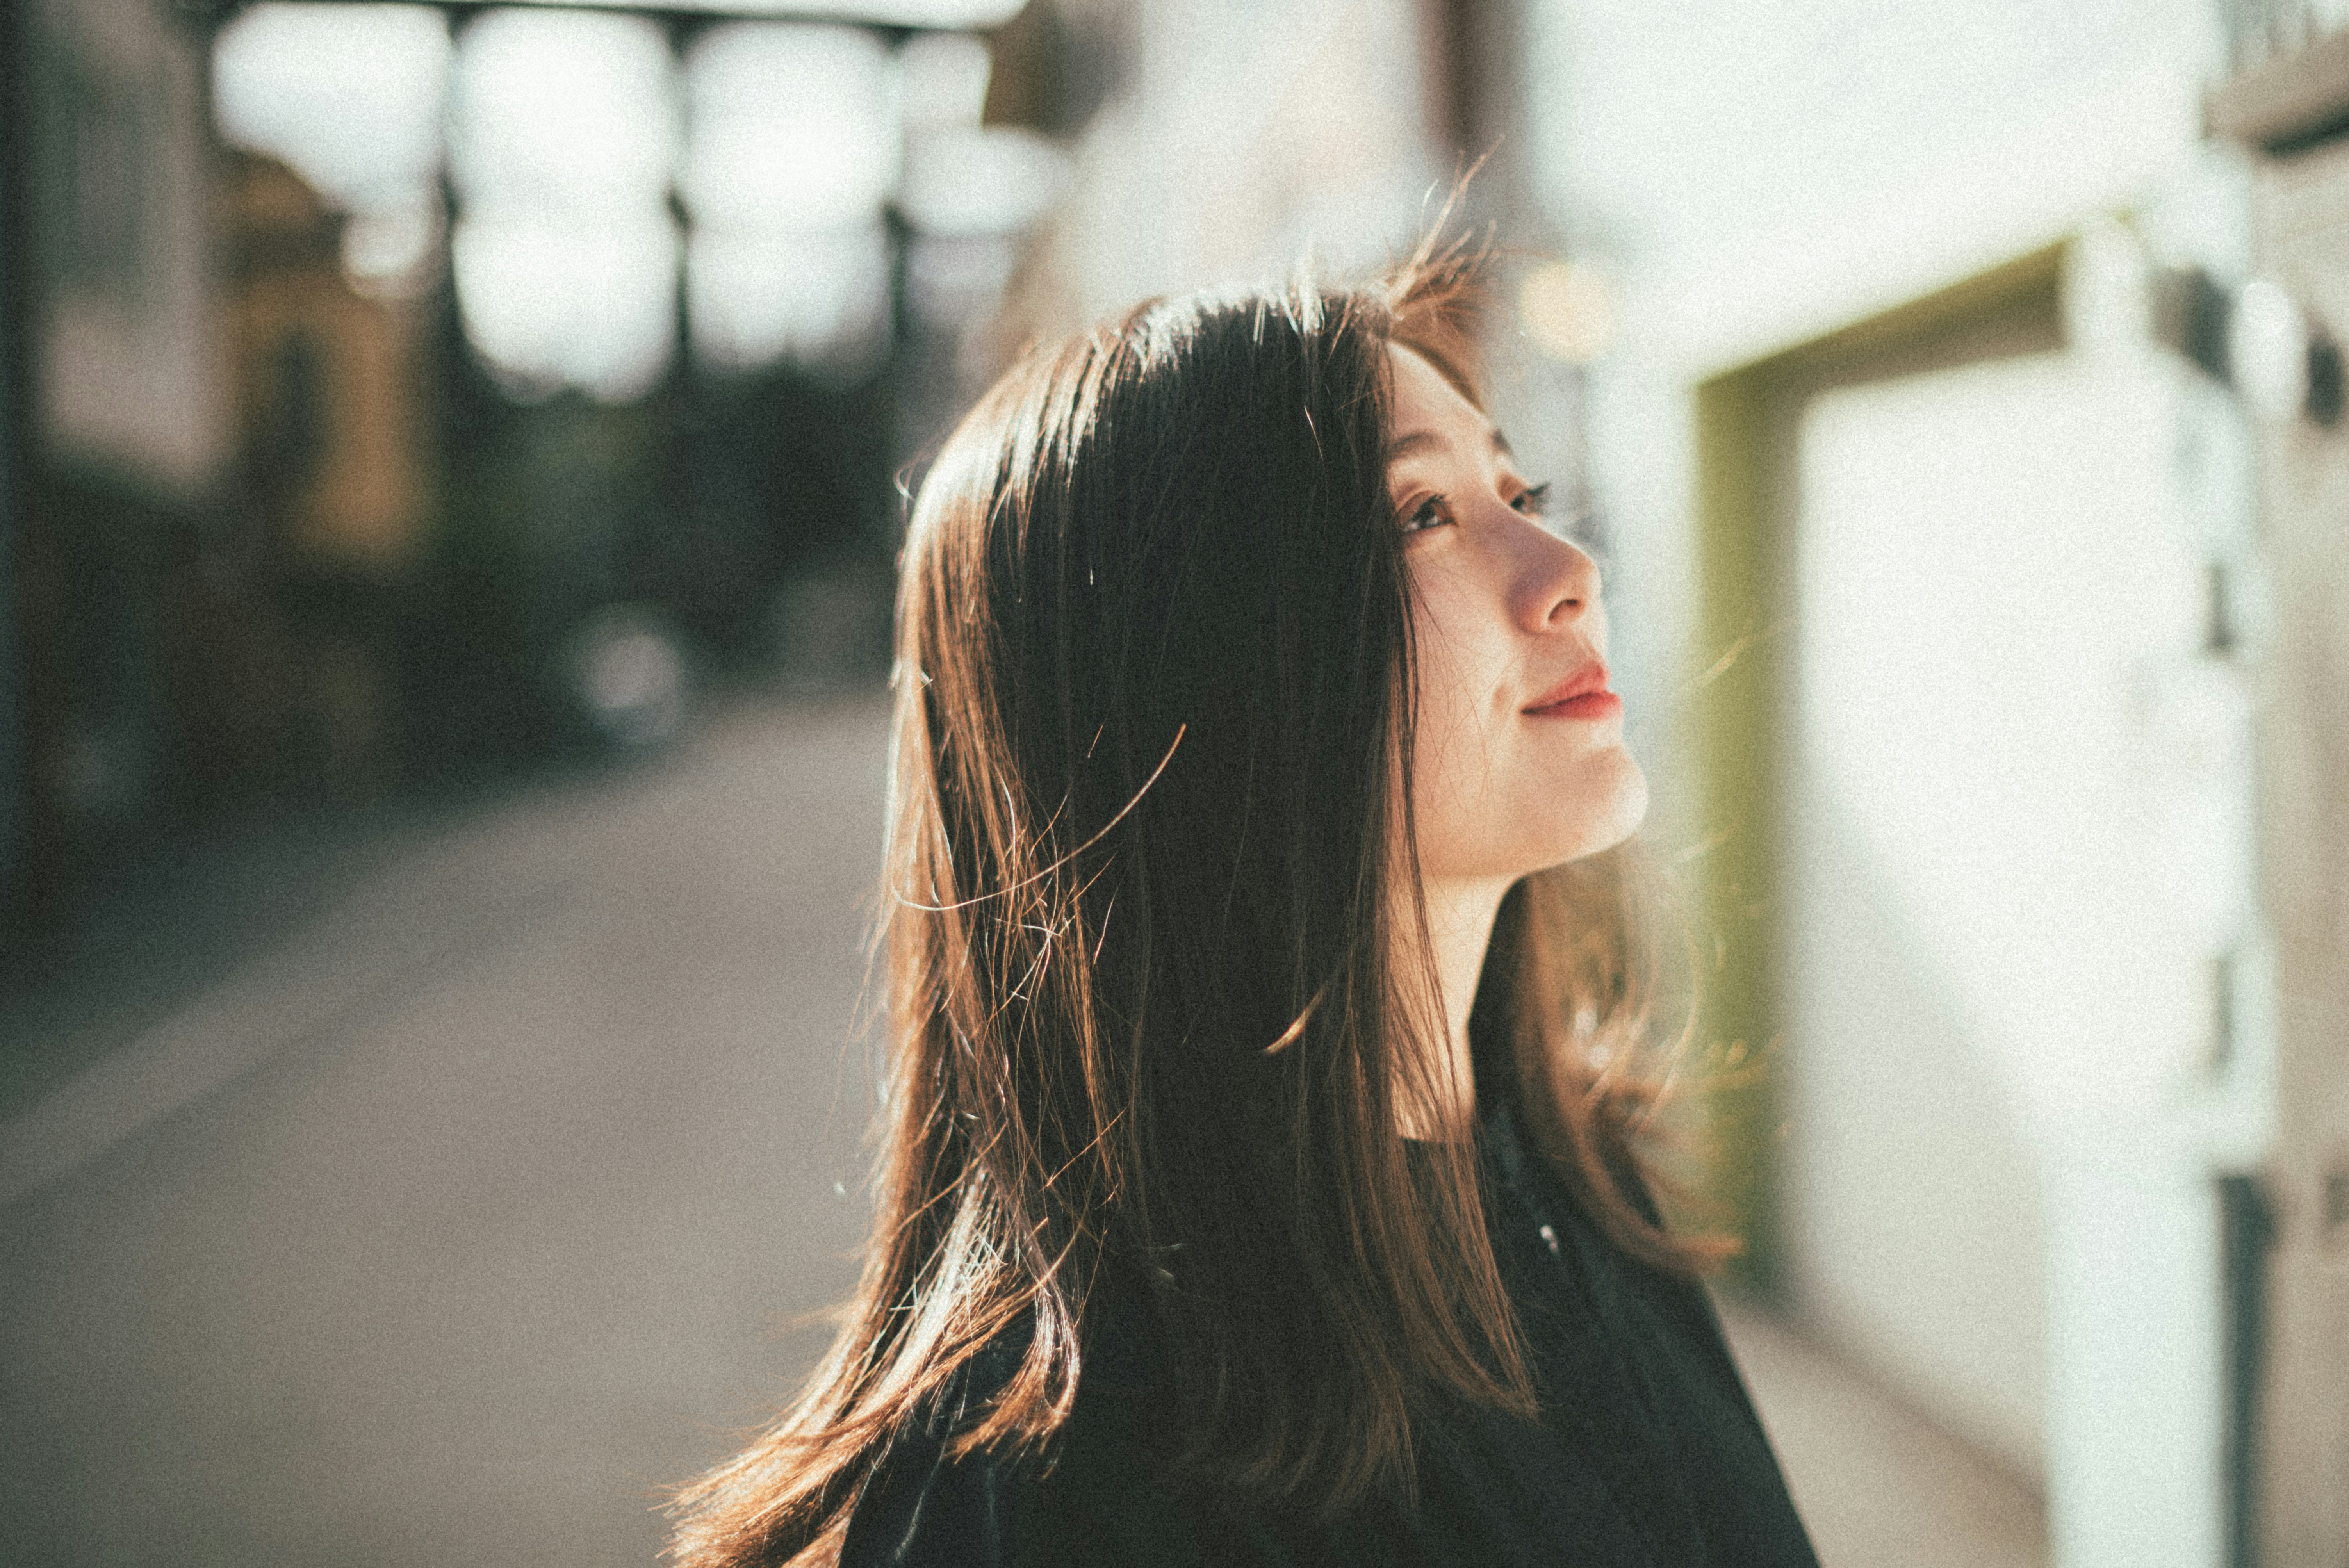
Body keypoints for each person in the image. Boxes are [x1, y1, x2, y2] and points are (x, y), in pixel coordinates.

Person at [669, 241, 1820, 1567]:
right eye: (1422, 516)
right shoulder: (1068, 1476)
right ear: (1197, 677)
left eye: (1519, 487)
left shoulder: (1582, 1187)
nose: (1566, 563)